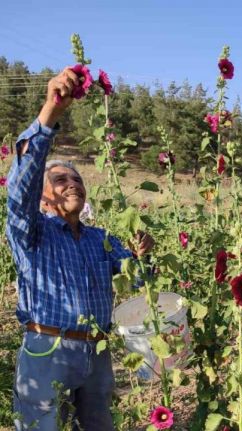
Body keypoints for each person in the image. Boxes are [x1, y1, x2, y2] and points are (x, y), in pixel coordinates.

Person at [6, 67, 154, 431]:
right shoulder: (31, 232)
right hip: (47, 349)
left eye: (77, 179)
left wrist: (141, 258)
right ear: (42, 197)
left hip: (96, 353)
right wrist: (49, 116)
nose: (72, 184)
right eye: (60, 180)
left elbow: (138, 284)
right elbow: (19, 189)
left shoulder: (100, 239)